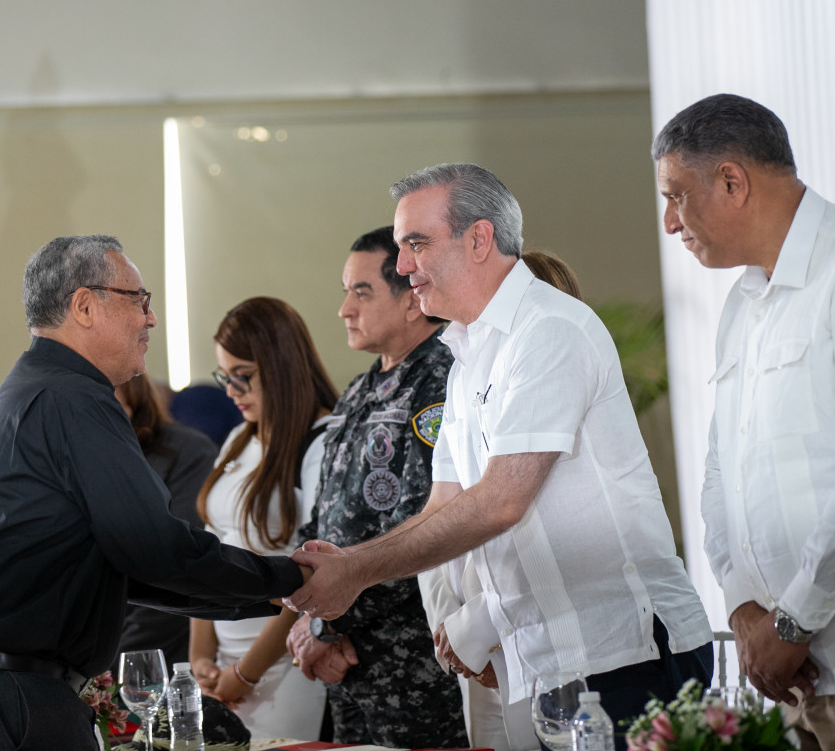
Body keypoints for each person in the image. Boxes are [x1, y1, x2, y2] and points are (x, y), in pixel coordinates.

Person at [287, 163, 714, 749]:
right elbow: (443, 506)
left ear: (480, 239)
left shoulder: (548, 329)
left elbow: (500, 501)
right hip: (541, 659)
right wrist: (361, 571)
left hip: (624, 651)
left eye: (417, 243)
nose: (404, 265)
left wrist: (356, 570)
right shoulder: (466, 358)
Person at [0, 235, 308, 751]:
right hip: (11, 689)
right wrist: (291, 579)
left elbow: (128, 565)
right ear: (84, 306)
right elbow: (154, 549)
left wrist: (275, 590)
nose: (151, 319)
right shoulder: (72, 397)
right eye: (139, 300)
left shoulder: (38, 387)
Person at [654, 94, 835, 750]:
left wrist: (792, 621)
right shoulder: (742, 304)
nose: (669, 222)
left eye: (676, 196)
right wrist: (744, 606)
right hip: (792, 671)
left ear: (732, 181)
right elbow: (721, 474)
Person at [283, 226, 465, 748]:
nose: (344, 309)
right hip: (348, 661)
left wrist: (324, 625)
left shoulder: (441, 380)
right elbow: (324, 513)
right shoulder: (359, 388)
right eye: (347, 291)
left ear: (411, 300)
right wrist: (312, 616)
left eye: (361, 292)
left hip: (413, 664)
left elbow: (426, 525)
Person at [418, 249, 583, 751]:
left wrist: (478, 629)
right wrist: (454, 632)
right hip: (473, 642)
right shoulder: (463, 377)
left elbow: (546, 531)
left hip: (543, 638)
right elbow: (438, 514)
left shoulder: (555, 356)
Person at [190, 297, 337, 740]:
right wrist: (201, 658)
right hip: (224, 665)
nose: (231, 391)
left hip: (285, 665)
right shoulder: (239, 436)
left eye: (243, 376)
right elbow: (207, 553)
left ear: (281, 366)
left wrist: (246, 673)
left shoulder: (322, 440)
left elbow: (316, 575)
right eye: (225, 376)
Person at [115, 371, 218, 666]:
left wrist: (108, 666)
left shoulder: (189, 452)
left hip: (156, 652)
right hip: (82, 654)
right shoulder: (69, 456)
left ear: (133, 396)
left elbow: (179, 566)